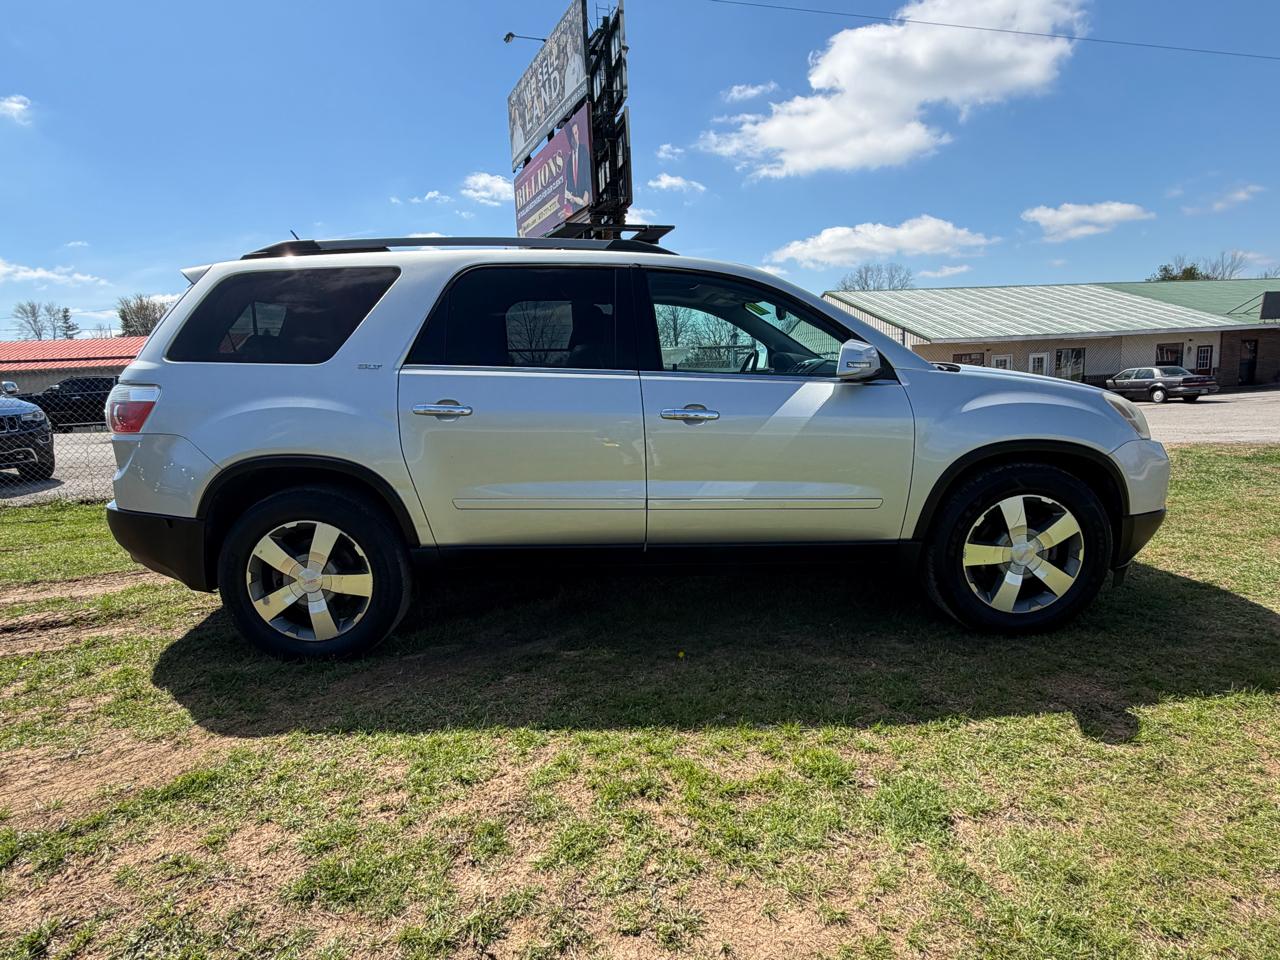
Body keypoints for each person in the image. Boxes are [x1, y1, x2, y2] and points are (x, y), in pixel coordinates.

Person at [563, 120, 592, 208]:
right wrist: (570, 197)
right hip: (575, 206)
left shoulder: (584, 151)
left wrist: (586, 195)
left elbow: (588, 173)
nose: (575, 137)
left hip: (586, 201)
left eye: (576, 133)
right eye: (573, 135)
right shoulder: (569, 162)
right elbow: (569, 185)